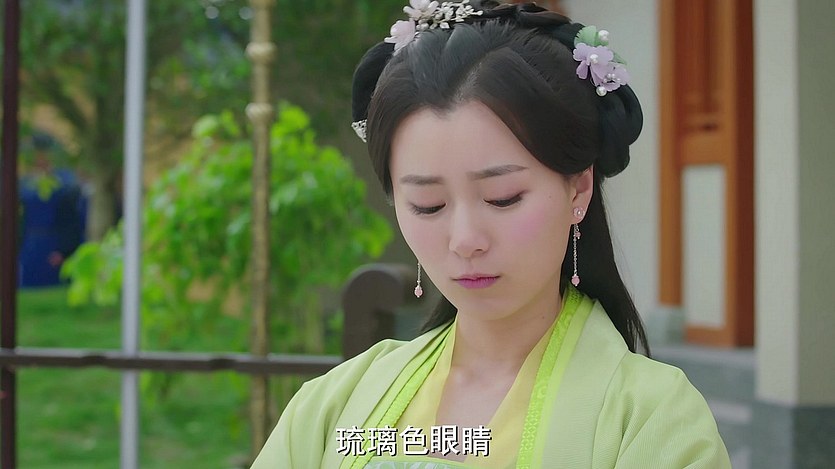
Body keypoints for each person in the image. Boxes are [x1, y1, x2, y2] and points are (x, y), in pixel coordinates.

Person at [252, 1, 731, 467]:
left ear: (578, 188)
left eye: (503, 198)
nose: (465, 239)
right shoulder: (332, 405)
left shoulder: (652, 421)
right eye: (428, 205)